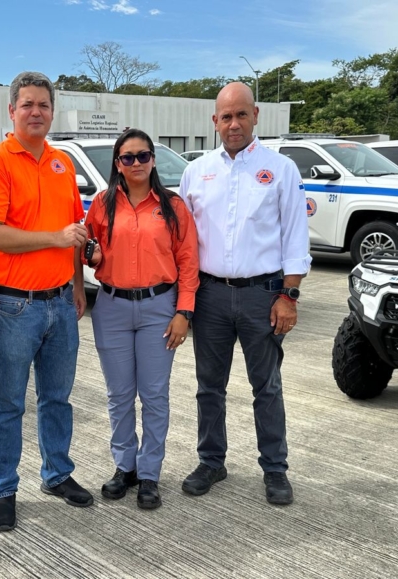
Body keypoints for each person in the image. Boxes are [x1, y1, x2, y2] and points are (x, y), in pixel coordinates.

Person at [0, 71, 91, 532]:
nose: (36, 112)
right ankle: (3, 489)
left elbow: (74, 231)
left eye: (43, 105)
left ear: (52, 112)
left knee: (57, 398)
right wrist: (52, 238)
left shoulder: (62, 163)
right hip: (15, 307)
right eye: (28, 104)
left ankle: (57, 474)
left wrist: (76, 284)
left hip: (61, 303)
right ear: (12, 110)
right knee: (8, 402)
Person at [178, 82, 311, 505]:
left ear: (255, 116)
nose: (233, 124)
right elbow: (182, 240)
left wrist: (289, 296)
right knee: (208, 387)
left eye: (241, 115)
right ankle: (211, 461)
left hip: (263, 296)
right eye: (226, 116)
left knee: (266, 386)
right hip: (210, 296)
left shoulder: (281, 169)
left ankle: (275, 468)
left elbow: (295, 236)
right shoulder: (197, 172)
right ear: (214, 121)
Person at [83, 129, 199, 509]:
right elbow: (88, 248)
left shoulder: (173, 206)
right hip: (112, 308)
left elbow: (188, 261)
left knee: (154, 395)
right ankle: (125, 467)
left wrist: (184, 312)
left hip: (159, 309)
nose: (136, 163)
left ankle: (149, 473)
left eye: (143, 155)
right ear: (117, 163)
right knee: (119, 395)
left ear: (153, 159)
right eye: (127, 157)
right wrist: (90, 256)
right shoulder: (101, 204)